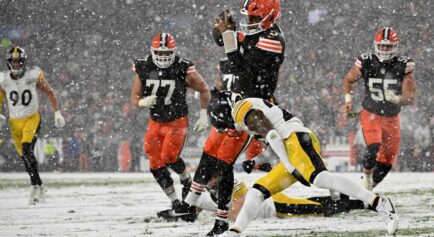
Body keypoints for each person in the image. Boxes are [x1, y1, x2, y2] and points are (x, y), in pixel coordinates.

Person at [207, 91, 398, 236]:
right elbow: (272, 139)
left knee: (320, 178)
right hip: (290, 146)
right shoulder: (247, 107)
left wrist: (289, 166)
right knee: (256, 192)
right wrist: (258, 161)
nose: (225, 130)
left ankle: (379, 202)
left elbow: (273, 135)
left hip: (295, 139)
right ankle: (235, 231)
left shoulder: (241, 110)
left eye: (223, 124)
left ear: (225, 111)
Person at [174, 1, 286, 235]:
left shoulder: (272, 40)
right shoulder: (260, 33)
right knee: (210, 150)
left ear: (269, 18)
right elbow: (225, 40)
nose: (250, 23)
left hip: (252, 107)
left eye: (255, 19)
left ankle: (221, 220)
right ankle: (191, 203)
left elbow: (240, 69)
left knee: (224, 165)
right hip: (236, 103)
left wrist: (230, 39)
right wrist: (222, 28)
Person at [131, 33, 210, 212]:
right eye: (160, 53)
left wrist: (203, 113)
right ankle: (174, 201)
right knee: (154, 162)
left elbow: (204, 89)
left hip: (176, 121)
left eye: (167, 54)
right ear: (152, 51)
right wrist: (141, 102)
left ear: (174, 52)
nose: (164, 57)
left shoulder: (182, 67)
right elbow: (134, 96)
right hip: (155, 121)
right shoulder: (144, 66)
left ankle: (185, 179)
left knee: (169, 157)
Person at [343, 27, 416, 190]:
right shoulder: (367, 60)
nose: (384, 49)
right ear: (376, 45)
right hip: (371, 114)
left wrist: (396, 99)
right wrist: (348, 100)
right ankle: (366, 179)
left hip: (392, 118)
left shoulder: (403, 64)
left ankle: (367, 190)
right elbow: (348, 79)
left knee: (387, 162)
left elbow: (410, 98)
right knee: (373, 147)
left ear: (395, 46)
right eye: (381, 45)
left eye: (388, 46)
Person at [0, 46, 66, 204]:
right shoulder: (3, 78)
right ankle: (39, 185)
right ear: (8, 62)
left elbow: (49, 91)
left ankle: (34, 187)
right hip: (14, 122)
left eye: (19, 62)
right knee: (24, 157)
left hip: (32, 118)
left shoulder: (33, 75)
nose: (16, 64)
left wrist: (57, 111)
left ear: (24, 61)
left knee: (26, 148)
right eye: (14, 62)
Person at [158, 176, 366, 222]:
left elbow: (237, 212)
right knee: (313, 205)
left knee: (320, 210)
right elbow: (194, 210)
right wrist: (178, 215)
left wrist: (219, 215)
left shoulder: (231, 181)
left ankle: (357, 202)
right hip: (273, 204)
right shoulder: (201, 194)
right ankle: (349, 199)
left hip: (275, 206)